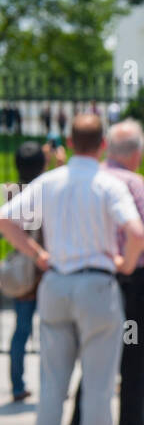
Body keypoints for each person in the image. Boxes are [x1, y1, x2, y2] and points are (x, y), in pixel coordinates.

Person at [0, 113, 144, 425]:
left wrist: (38, 256)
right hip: (97, 286)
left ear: (68, 141)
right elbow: (138, 233)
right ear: (102, 145)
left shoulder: (50, 182)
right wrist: (125, 264)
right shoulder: (108, 185)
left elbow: (5, 220)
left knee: (52, 388)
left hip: (57, 283)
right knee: (98, 391)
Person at [60, 119, 144, 425]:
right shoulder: (132, 182)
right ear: (138, 154)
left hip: (96, 280)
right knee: (135, 366)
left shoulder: (93, 177)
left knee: (96, 366)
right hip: (131, 283)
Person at [6, 141, 57, 402]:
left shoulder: (13, 192)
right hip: (46, 270)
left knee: (21, 330)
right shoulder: (46, 190)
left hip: (25, 269)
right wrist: (56, 164)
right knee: (53, 332)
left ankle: (17, 386)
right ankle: (54, 384)